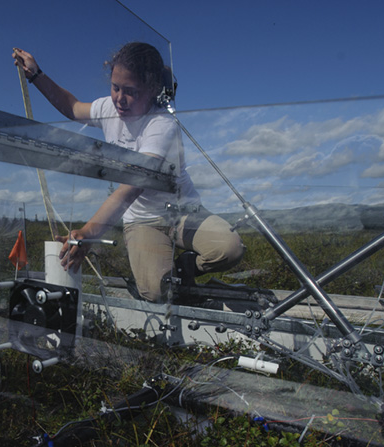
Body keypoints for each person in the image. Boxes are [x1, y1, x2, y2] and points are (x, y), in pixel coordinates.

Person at [12, 42, 244, 302]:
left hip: (182, 213)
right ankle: (166, 277)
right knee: (156, 292)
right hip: (143, 220)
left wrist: (88, 234)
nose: (120, 99)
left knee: (229, 249)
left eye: (130, 91)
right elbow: (72, 107)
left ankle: (183, 269)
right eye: (115, 87)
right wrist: (36, 74)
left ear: (152, 89)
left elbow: (132, 186)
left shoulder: (161, 125)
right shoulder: (108, 109)